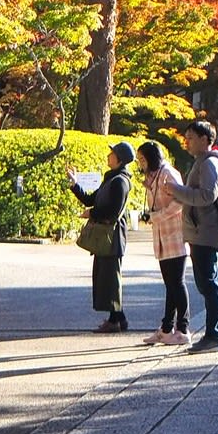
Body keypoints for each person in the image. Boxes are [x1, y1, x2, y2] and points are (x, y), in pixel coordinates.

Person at [172, 120, 218, 353]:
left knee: (208, 284)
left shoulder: (210, 164)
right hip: (200, 231)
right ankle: (212, 334)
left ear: (204, 139)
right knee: (206, 283)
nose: (186, 141)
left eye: (190, 137)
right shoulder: (203, 162)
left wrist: (176, 190)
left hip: (206, 233)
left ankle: (214, 336)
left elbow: (207, 195)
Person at [68, 141, 135, 332]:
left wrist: (92, 213)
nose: (108, 155)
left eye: (112, 153)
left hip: (112, 236)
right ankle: (118, 318)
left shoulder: (120, 181)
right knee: (106, 277)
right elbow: (91, 199)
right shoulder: (111, 178)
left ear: (119, 159)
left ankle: (115, 321)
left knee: (111, 278)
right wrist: (75, 184)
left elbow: (112, 211)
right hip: (107, 236)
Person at [137, 141, 190, 346]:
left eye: (143, 159)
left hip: (174, 234)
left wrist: (158, 216)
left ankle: (183, 329)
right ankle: (166, 328)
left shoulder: (168, 173)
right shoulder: (151, 177)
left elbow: (182, 199)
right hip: (161, 237)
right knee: (170, 284)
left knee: (177, 282)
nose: (141, 163)